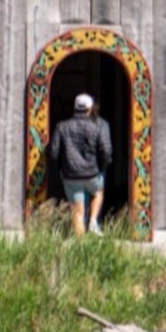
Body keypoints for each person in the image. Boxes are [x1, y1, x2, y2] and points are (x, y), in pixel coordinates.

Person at [49, 92, 113, 236]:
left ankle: (81, 249)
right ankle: (93, 221)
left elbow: (53, 152)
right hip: (92, 174)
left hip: (71, 176)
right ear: (90, 108)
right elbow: (106, 150)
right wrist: (102, 168)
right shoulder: (98, 126)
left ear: (74, 107)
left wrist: (61, 169)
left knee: (77, 213)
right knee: (98, 192)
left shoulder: (61, 126)